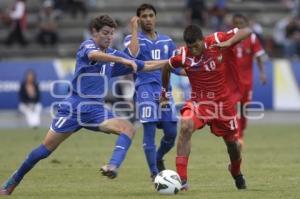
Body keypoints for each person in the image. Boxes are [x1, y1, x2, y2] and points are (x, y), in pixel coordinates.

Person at [0, 15, 168, 196]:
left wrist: (171, 62)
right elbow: (93, 55)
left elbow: (145, 65)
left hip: (96, 110)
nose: (109, 37)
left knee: (128, 128)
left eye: (112, 34)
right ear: (94, 32)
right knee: (44, 150)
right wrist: (123, 60)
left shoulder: (113, 55)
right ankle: (13, 181)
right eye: (105, 33)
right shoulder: (88, 45)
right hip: (75, 108)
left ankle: (112, 166)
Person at [161, 24, 252, 190]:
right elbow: (167, 67)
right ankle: (182, 179)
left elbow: (247, 31)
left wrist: (229, 42)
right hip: (199, 102)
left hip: (223, 104)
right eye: (190, 47)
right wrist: (164, 92)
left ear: (203, 40)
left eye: (196, 46)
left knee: (233, 144)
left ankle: (236, 171)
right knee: (186, 125)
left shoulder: (216, 40)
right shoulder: (183, 55)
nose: (193, 50)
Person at [123, 4, 185, 180]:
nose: (148, 19)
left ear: (155, 18)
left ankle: (158, 158)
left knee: (171, 132)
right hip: (145, 90)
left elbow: (175, 67)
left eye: (151, 15)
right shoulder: (131, 39)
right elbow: (133, 56)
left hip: (165, 91)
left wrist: (190, 72)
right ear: (138, 19)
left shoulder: (167, 41)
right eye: (143, 16)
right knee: (149, 131)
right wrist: (134, 30)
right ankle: (154, 173)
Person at [232, 13, 267, 145]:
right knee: (235, 108)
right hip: (233, 81)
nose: (238, 26)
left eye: (241, 23)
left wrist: (262, 73)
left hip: (247, 81)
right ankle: (238, 135)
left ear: (246, 24)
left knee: (244, 109)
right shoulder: (230, 37)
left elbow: (258, 57)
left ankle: (242, 129)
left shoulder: (252, 38)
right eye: (236, 23)